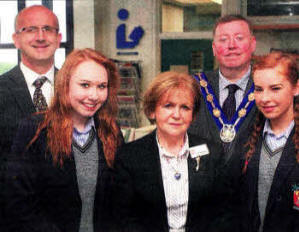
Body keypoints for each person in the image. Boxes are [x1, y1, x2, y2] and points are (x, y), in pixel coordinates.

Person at [4, 48, 123, 232]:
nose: (94, 95)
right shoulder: (35, 129)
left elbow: (119, 202)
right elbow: (19, 202)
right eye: (85, 85)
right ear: (65, 85)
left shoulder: (111, 131)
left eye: (101, 86)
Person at [113, 71, 224, 232]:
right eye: (168, 106)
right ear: (152, 111)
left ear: (193, 115)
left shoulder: (212, 152)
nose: (177, 115)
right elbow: (124, 217)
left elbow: (221, 212)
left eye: (185, 107)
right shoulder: (129, 156)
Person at [237, 52, 299, 232]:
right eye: (258, 89)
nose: (265, 98)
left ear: (296, 88)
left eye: (275, 88)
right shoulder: (247, 140)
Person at [189, 15, 258, 163]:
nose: (231, 45)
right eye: (223, 39)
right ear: (214, 48)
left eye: (239, 38)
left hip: (253, 182)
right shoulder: (193, 87)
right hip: (202, 179)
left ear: (253, 44)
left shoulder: (267, 88)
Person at [0, 5, 62, 157]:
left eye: (48, 29)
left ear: (58, 39)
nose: (40, 37)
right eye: (31, 29)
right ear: (16, 40)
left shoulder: (77, 88)